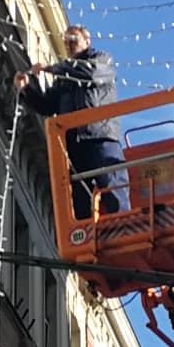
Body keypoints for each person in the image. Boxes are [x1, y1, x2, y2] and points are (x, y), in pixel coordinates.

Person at [16, 24, 127, 220]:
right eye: (66, 42)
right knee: (79, 197)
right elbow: (48, 106)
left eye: (73, 39)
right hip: (75, 143)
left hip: (100, 136)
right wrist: (27, 89)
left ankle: (125, 223)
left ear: (87, 40)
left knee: (112, 184)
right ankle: (85, 235)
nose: (68, 44)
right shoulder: (63, 77)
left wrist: (53, 68)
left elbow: (91, 74)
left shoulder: (101, 59)